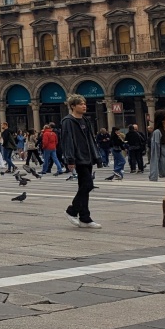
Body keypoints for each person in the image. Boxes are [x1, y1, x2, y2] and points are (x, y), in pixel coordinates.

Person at [60, 94, 101, 229]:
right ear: (73, 106)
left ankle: (85, 218)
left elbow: (90, 139)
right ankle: (71, 210)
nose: (84, 106)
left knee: (84, 187)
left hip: (88, 157)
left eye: (84, 103)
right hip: (78, 157)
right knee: (88, 185)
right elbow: (67, 141)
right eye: (81, 104)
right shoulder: (68, 121)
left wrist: (96, 156)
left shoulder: (85, 120)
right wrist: (70, 159)